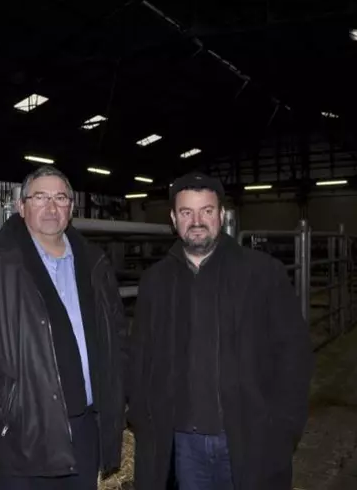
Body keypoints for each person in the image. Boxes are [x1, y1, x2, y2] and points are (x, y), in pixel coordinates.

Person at [0, 165, 127, 490]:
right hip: (23, 431)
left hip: (85, 425)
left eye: (60, 198)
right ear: (22, 206)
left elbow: (117, 334)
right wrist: (6, 403)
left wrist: (115, 390)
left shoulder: (95, 263)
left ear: (71, 207)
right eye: (40, 197)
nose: (51, 207)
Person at [128, 172, 313, 490]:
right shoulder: (155, 282)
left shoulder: (263, 274)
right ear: (174, 219)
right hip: (184, 443)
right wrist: (143, 420)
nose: (196, 220)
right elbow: (140, 355)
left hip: (250, 437)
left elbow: (294, 355)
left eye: (207, 210)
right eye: (186, 212)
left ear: (222, 215)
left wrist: (284, 428)